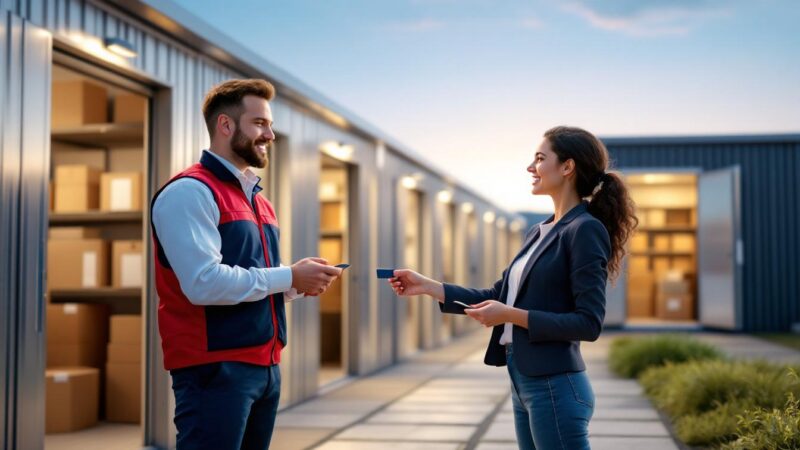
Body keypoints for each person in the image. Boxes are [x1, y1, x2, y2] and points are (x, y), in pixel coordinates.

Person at [389, 126, 637, 450]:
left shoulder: (585, 230)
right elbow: (497, 296)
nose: (530, 167)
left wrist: (510, 315)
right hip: (523, 382)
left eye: (539, 158)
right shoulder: (539, 231)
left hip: (555, 385)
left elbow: (588, 323)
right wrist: (428, 286)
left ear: (567, 167)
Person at [151, 78, 343, 449]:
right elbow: (203, 283)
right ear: (225, 125)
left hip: (265, 367)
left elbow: (251, 278)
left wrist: (295, 284)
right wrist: (288, 274)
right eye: (260, 123)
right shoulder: (190, 192)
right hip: (214, 370)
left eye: (269, 125)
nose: (269, 135)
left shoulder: (259, 200)